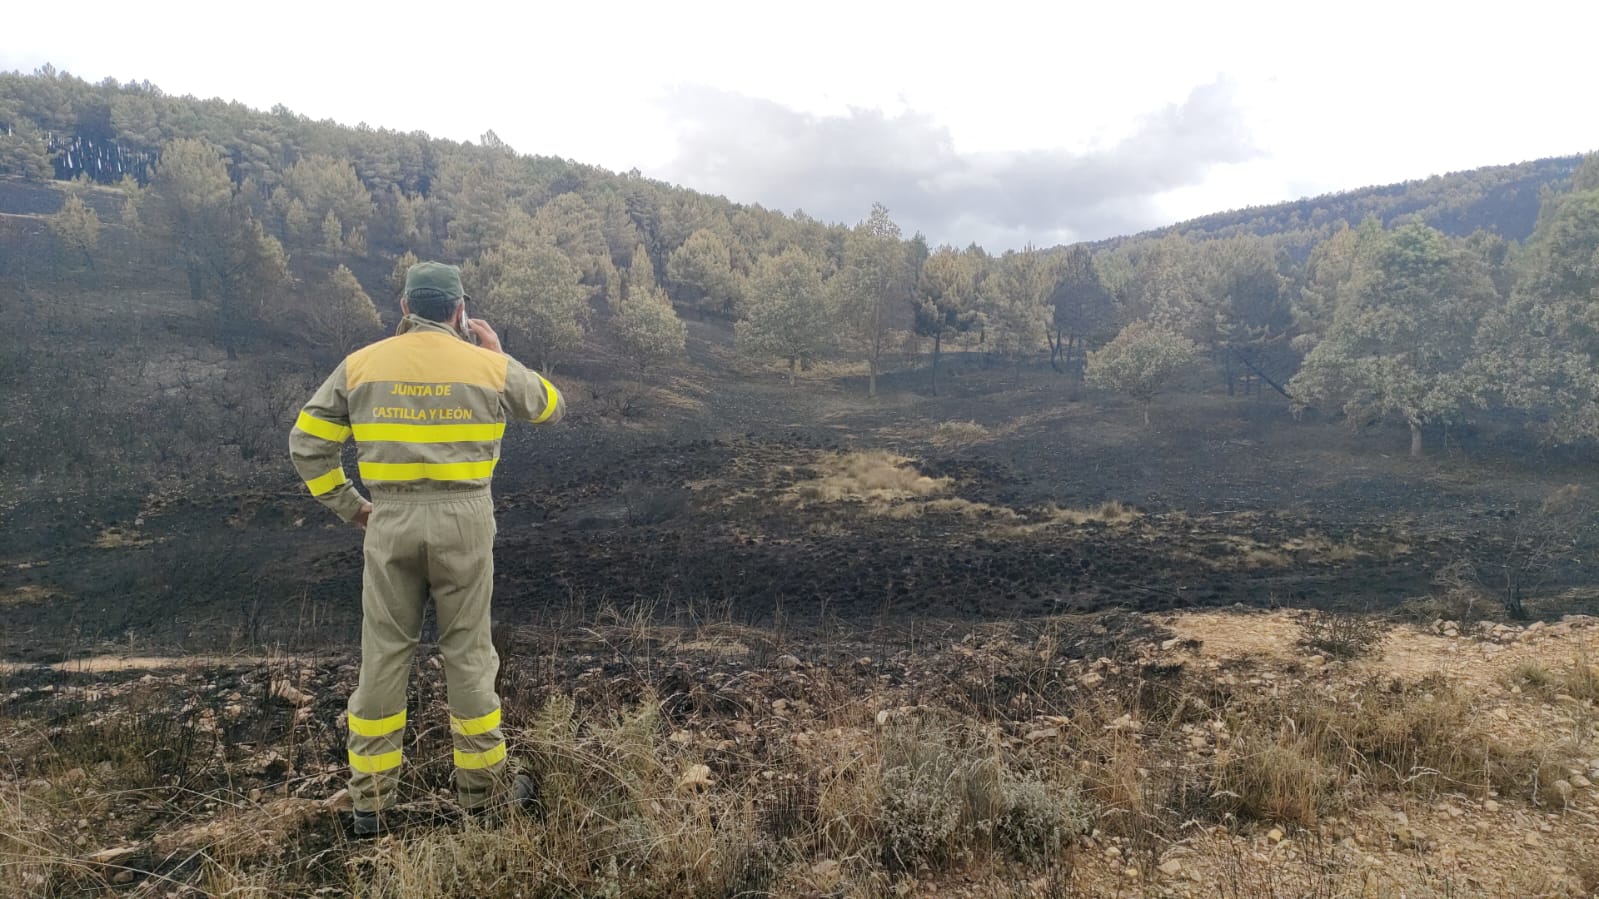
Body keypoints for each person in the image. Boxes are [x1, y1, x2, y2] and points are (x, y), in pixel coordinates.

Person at [288, 261, 565, 835]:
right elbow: (548, 405)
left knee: (385, 653)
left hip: (388, 519)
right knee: (468, 652)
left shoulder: (361, 365)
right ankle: (484, 795)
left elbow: (307, 446)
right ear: (460, 312)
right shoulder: (485, 365)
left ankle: (370, 803)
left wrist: (352, 506)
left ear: (404, 309)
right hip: (465, 521)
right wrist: (498, 353)